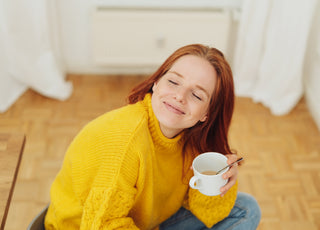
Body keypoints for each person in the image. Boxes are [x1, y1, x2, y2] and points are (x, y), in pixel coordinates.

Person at [44, 44, 261, 230]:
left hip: (143, 222)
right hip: (88, 226)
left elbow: (207, 212)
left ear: (207, 113)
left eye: (196, 95)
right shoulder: (124, 141)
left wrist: (217, 183)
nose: (179, 96)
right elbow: (102, 224)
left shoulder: (189, 138)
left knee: (246, 209)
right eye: (173, 82)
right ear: (156, 83)